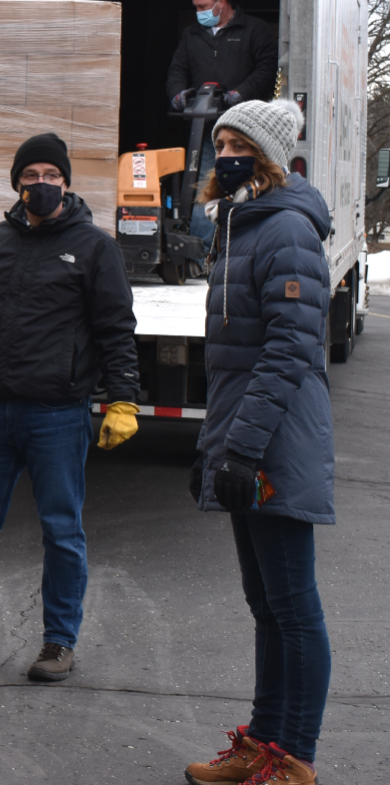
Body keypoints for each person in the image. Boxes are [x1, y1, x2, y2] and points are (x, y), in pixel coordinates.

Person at [0, 133, 141, 681]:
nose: (41, 184)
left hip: (57, 414)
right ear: (16, 182)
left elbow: (116, 329)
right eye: (31, 175)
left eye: (51, 176)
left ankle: (58, 642)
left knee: (62, 532)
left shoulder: (93, 247)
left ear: (66, 182)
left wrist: (123, 398)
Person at [184, 99, 332, 785]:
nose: (226, 153)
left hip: (276, 440)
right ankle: (263, 743)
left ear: (268, 156)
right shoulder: (239, 226)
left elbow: (286, 351)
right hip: (245, 435)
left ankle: (293, 758)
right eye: (220, 141)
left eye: (240, 142)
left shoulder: (288, 231)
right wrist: (211, 451)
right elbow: (234, 362)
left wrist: (242, 452)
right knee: (265, 604)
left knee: (293, 607)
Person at [166, 0, 279, 250]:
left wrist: (240, 93)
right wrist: (178, 94)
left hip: (245, 128)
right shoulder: (192, 35)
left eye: (202, 6)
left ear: (221, 2)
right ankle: (202, 247)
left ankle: (243, 243)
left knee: (244, 183)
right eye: (195, 7)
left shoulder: (255, 31)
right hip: (206, 127)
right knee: (206, 181)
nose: (198, 12)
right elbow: (177, 70)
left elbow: (266, 69)